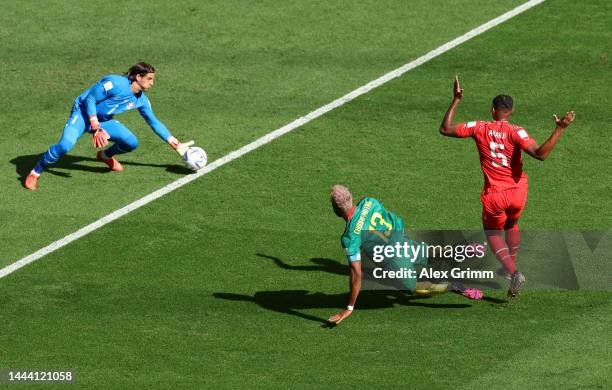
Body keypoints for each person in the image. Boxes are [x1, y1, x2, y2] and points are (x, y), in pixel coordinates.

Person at [439, 76, 575, 297]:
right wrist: (559, 129)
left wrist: (456, 100)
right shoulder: (517, 132)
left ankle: (513, 273)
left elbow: (445, 129)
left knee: (493, 233)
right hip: (518, 191)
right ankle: (510, 263)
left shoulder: (479, 127)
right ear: (511, 111)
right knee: (512, 222)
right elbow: (540, 155)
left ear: (493, 110)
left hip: (495, 194)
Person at [25, 62, 193, 190]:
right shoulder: (115, 83)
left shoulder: (141, 100)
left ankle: (105, 156)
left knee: (131, 142)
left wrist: (174, 143)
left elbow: (154, 122)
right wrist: (94, 125)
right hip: (83, 113)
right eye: (149, 79)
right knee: (65, 145)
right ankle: (35, 172)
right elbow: (90, 99)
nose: (152, 83)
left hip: (103, 120)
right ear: (138, 77)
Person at [327, 185, 480, 325]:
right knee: (427, 253)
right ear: (351, 196)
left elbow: (356, 274)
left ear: (335, 209)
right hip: (400, 238)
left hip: (394, 260)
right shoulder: (368, 202)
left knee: (414, 287)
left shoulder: (349, 238)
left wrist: (349, 307)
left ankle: (452, 286)